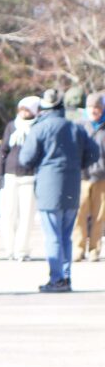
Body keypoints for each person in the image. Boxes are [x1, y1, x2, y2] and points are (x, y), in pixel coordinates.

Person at [19, 88, 100, 292]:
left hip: (48, 187)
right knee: (66, 235)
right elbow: (94, 153)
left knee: (53, 235)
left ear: (44, 108)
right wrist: (77, 164)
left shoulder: (40, 128)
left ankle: (56, 279)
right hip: (72, 184)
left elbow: (25, 158)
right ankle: (65, 277)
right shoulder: (76, 128)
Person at [0, 96, 40, 261]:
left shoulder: (38, 127)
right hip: (10, 174)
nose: (23, 112)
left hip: (29, 176)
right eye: (21, 108)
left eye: (27, 109)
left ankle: (22, 250)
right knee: (8, 214)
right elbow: (3, 150)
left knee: (27, 215)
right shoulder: (11, 126)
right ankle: (9, 249)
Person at [75, 91, 105, 261]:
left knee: (99, 216)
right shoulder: (79, 126)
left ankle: (95, 249)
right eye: (92, 107)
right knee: (80, 214)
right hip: (82, 176)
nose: (94, 110)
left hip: (102, 176)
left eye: (97, 107)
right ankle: (78, 248)